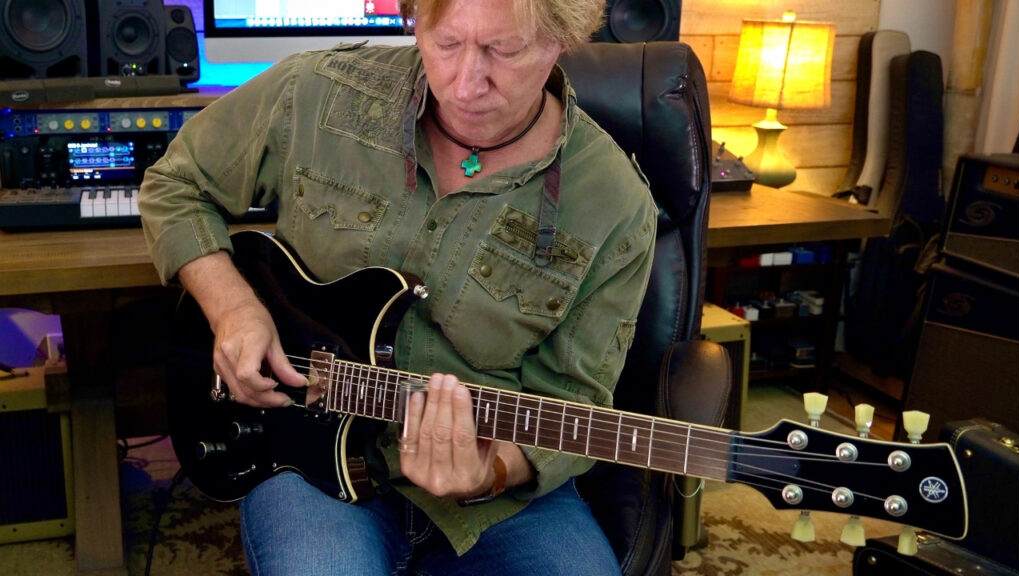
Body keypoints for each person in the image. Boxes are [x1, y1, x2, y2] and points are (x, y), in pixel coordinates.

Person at [139, 0, 658, 573]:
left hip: (499, 500)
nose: (465, 85)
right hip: (301, 452)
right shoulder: (315, 91)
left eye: (502, 50)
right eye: (446, 44)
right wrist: (233, 307)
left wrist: (493, 470)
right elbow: (176, 183)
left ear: (563, 38)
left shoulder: (616, 204)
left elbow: (572, 399)